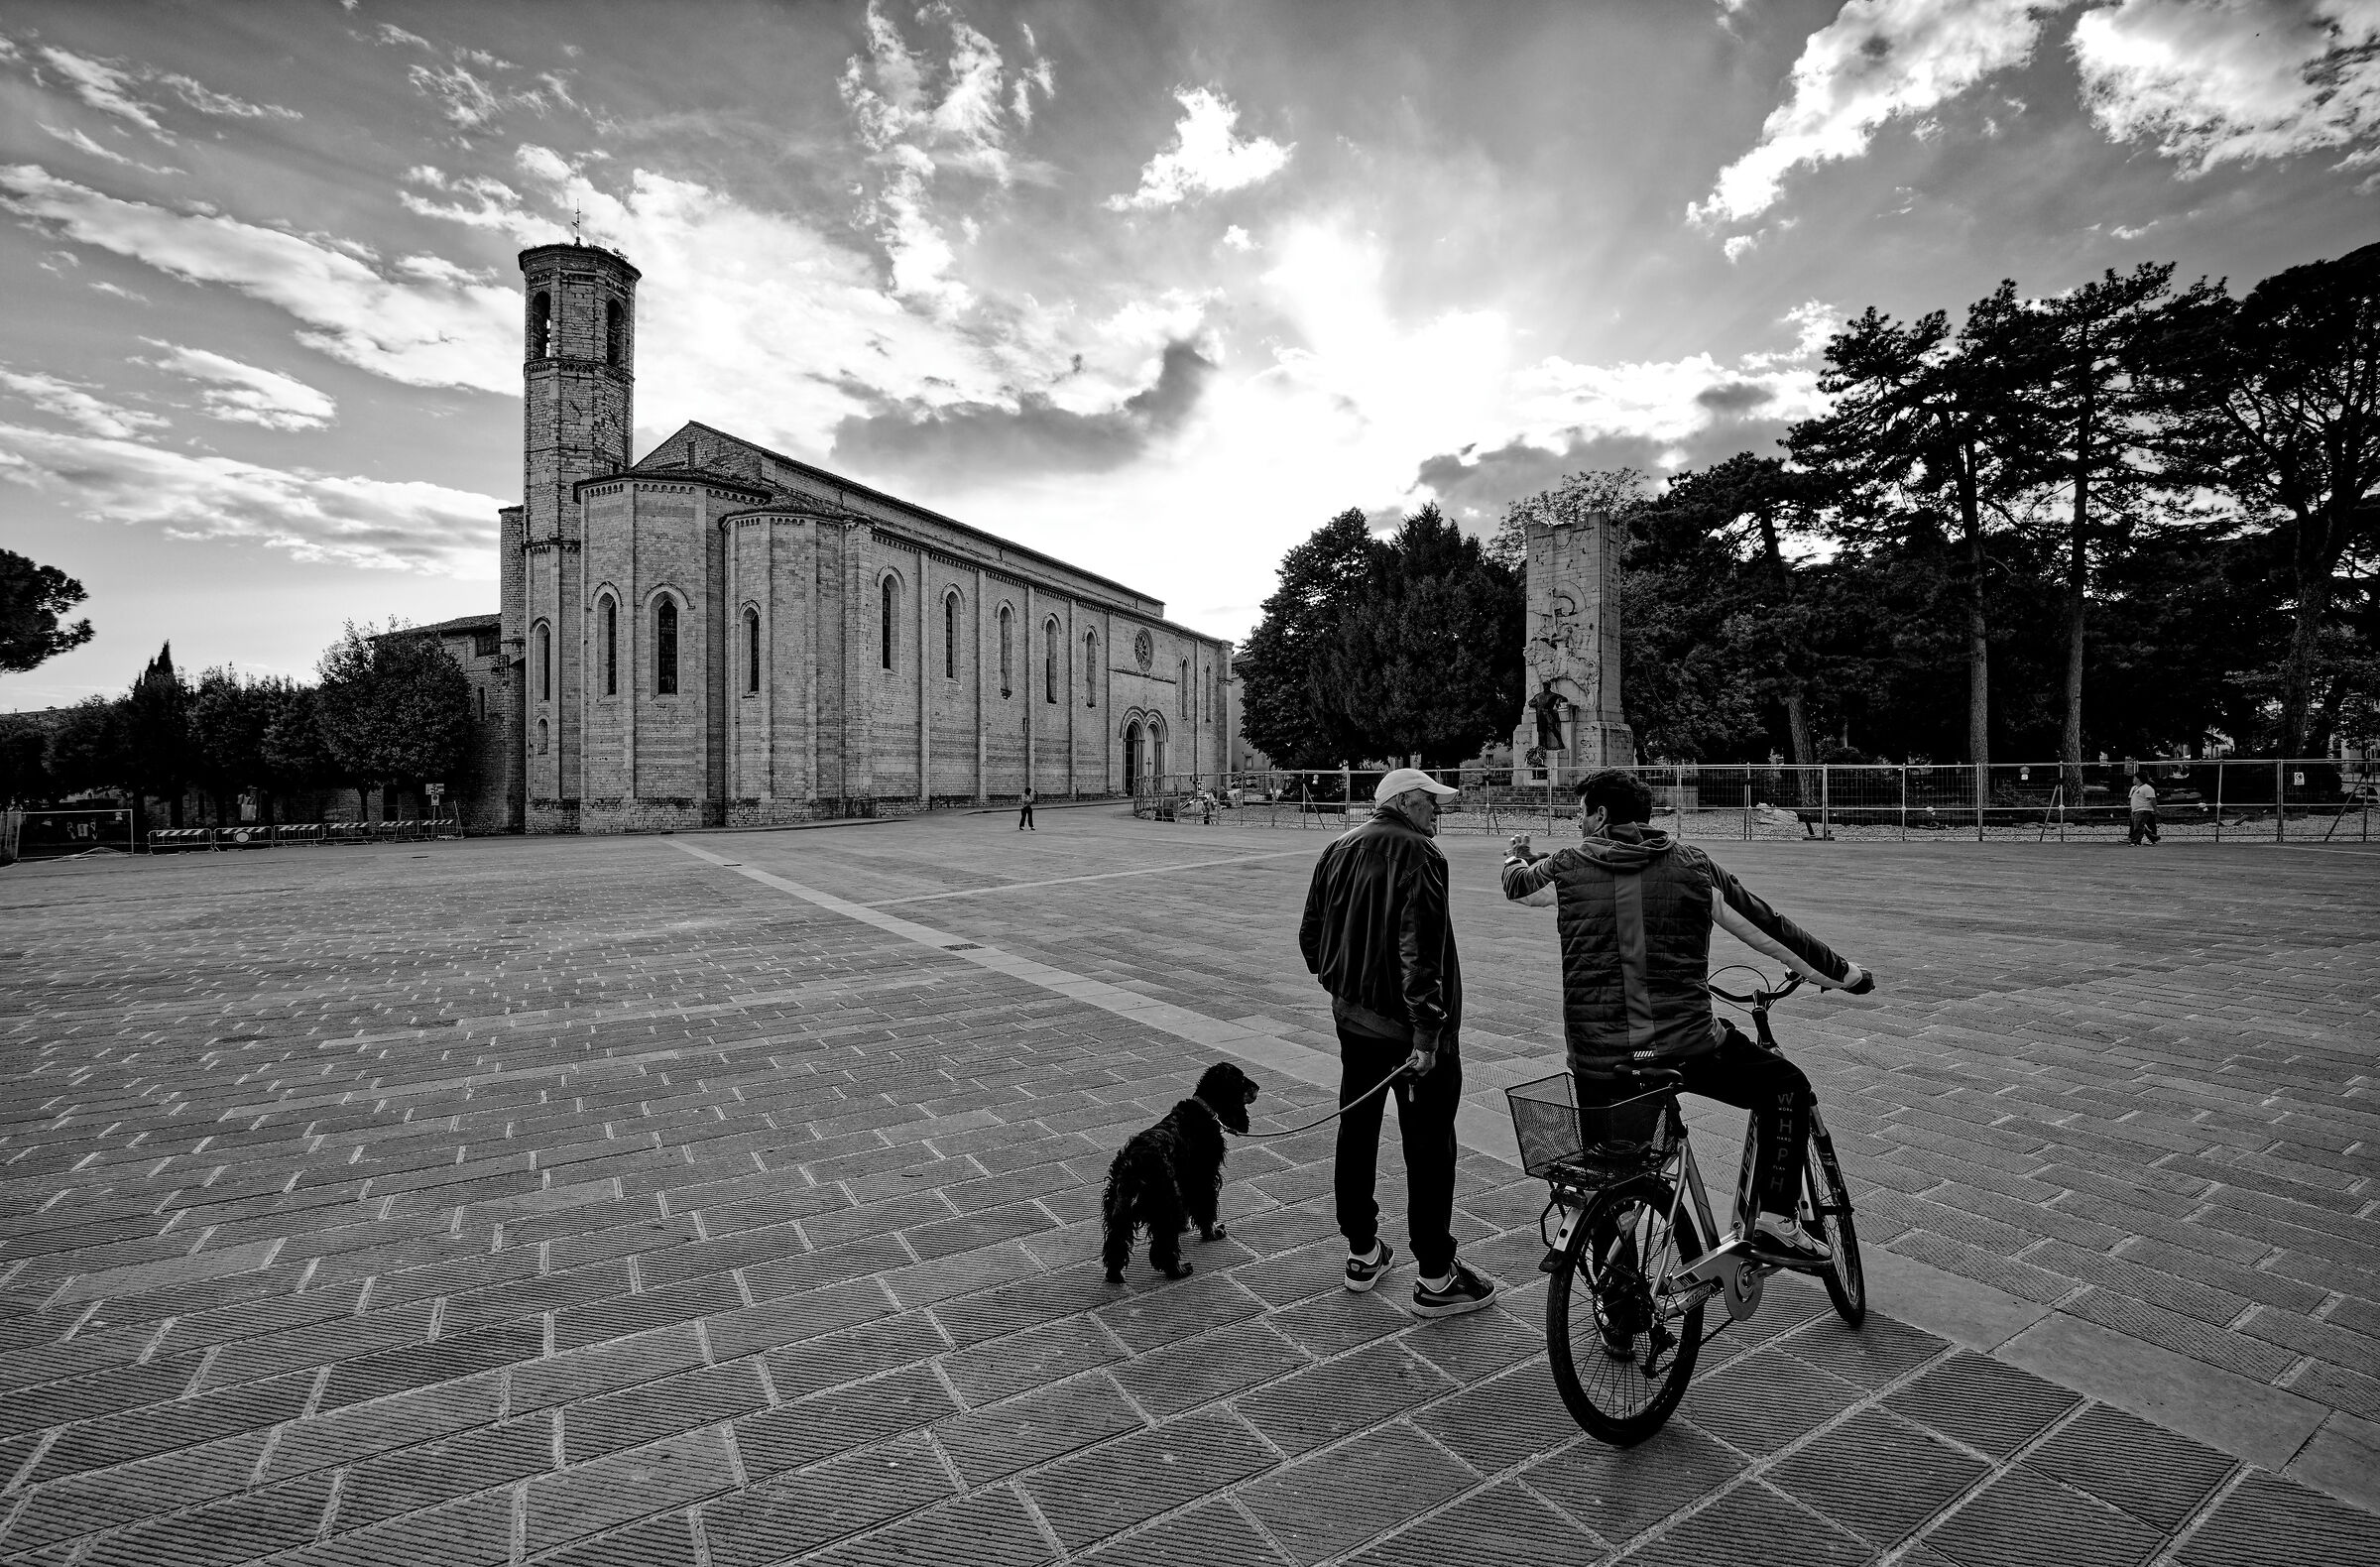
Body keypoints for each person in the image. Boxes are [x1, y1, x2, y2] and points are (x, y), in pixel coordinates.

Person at [1502, 769, 1873, 1266]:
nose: (1577, 822)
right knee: (1786, 1087)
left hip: (1599, 1058)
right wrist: (1845, 975)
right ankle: (1776, 1221)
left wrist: (1516, 857)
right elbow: (1772, 930)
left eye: (1582, 812)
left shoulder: (1567, 866)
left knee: (1612, 1179)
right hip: (1689, 1046)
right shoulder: (1693, 866)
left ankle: (1616, 1311)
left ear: (1602, 816)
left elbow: (1519, 887)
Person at [1298, 767, 1498, 1318]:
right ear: (1406, 802)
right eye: (1431, 802)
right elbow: (1421, 952)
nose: (1438, 812)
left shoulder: (1337, 848)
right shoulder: (1420, 855)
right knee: (1429, 1145)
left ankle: (1362, 1251)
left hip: (1355, 1023)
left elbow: (1310, 936)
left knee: (1356, 1128)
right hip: (1409, 1035)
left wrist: (1340, 983)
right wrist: (1428, 1034)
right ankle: (1436, 1275)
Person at [2127, 777, 2159, 845]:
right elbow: (2131, 798)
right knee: (2140, 825)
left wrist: (2155, 809)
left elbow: (2152, 799)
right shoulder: (2134, 788)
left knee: (2139, 826)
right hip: (2135, 810)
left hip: (2143, 809)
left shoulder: (2147, 788)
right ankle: (2153, 838)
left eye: (2134, 778)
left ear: (2138, 779)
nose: (2133, 779)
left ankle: (2136, 841)